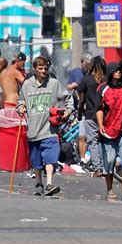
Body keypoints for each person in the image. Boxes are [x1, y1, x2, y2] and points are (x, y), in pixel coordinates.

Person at [17, 56, 73, 196]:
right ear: (34, 69)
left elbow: (68, 97)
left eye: (45, 69)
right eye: (40, 69)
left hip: (50, 130)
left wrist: (68, 110)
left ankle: (49, 184)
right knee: (36, 161)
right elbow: (21, 101)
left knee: (51, 158)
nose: (43, 71)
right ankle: (39, 183)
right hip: (33, 130)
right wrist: (20, 108)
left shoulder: (53, 84)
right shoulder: (27, 85)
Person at [96, 62, 122, 200]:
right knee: (109, 160)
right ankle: (109, 188)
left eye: (120, 70)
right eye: (116, 71)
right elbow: (99, 108)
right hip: (108, 130)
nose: (118, 72)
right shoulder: (103, 88)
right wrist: (100, 124)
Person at [77, 56, 106, 173]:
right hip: (104, 114)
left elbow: (81, 99)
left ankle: (98, 167)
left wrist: (79, 113)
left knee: (93, 141)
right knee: (105, 141)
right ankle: (107, 167)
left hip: (90, 114)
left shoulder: (86, 79)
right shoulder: (106, 80)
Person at [67, 53, 92, 166]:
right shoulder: (75, 72)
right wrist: (73, 85)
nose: (87, 66)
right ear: (82, 62)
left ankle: (89, 157)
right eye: (86, 64)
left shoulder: (92, 74)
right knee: (82, 135)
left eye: (89, 64)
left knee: (91, 135)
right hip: (81, 107)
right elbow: (68, 86)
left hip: (91, 107)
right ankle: (82, 158)